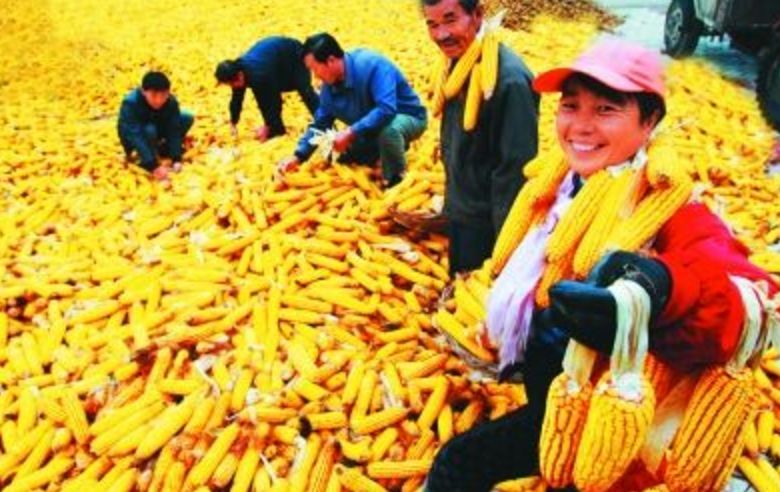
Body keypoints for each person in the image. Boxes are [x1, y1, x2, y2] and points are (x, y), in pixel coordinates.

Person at [425, 38, 779, 491]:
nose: (581, 125)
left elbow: (754, 298)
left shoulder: (675, 210)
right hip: (564, 405)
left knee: (456, 465)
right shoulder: (562, 191)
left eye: (606, 109)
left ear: (649, 121)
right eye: (570, 105)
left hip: (613, 432)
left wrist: (666, 291)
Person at [421, 0, 539, 276]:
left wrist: (506, 248)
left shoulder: (509, 80)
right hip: (461, 207)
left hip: (485, 222)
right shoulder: (455, 60)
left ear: (477, 14)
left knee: (477, 288)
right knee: (458, 281)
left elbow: (514, 170)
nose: (441, 34)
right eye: (432, 24)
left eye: (450, 20)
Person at [277, 32, 428, 188]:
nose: (315, 76)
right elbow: (321, 123)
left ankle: (394, 180)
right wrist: (298, 156)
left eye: (315, 69)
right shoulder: (328, 88)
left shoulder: (372, 65)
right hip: (371, 130)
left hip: (407, 116)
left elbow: (386, 109)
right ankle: (386, 149)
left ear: (331, 60)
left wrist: (351, 132)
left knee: (390, 132)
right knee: (338, 157)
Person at [215, 36, 319, 142]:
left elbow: (273, 101)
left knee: (304, 89)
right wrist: (233, 121)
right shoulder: (237, 72)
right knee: (269, 98)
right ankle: (277, 130)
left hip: (293, 54)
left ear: (240, 75)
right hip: (275, 61)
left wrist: (268, 126)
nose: (232, 86)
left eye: (232, 83)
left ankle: (324, 120)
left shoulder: (258, 76)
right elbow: (237, 99)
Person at [118, 71, 194, 181]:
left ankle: (163, 149)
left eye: (163, 95)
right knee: (150, 130)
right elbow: (134, 135)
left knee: (186, 117)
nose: (159, 101)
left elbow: (174, 129)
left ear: (168, 92)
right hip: (134, 137)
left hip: (155, 126)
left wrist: (176, 158)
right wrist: (153, 165)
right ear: (143, 92)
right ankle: (144, 159)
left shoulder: (171, 101)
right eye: (153, 96)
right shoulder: (130, 103)